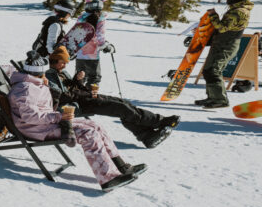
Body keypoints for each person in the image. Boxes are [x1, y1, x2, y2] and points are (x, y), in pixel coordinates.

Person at [8, 52, 144, 192]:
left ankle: (120, 166)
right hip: (35, 129)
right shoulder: (25, 89)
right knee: (88, 132)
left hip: (45, 124)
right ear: (39, 73)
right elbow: (30, 117)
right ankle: (107, 178)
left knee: (94, 125)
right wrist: (59, 116)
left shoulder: (33, 83)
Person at [46, 46, 178, 148]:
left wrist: (78, 81)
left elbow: (74, 88)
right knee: (120, 108)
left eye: (65, 62)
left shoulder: (62, 73)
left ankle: (146, 135)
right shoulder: (49, 76)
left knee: (123, 103)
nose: (65, 65)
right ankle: (158, 121)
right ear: (55, 61)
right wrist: (85, 92)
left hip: (86, 99)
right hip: (78, 105)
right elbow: (62, 95)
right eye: (63, 62)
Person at [197, 0, 255, 109]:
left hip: (227, 45)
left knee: (214, 70)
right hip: (221, 43)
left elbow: (222, 27)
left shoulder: (239, 12)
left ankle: (220, 100)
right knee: (208, 70)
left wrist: (213, 15)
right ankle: (212, 97)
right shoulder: (236, 9)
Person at [73, 0, 114, 86]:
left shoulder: (81, 18)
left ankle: (78, 95)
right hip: (92, 53)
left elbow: (75, 34)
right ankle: (90, 97)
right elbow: (100, 36)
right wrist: (105, 45)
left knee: (80, 77)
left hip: (80, 53)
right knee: (94, 78)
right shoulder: (100, 19)